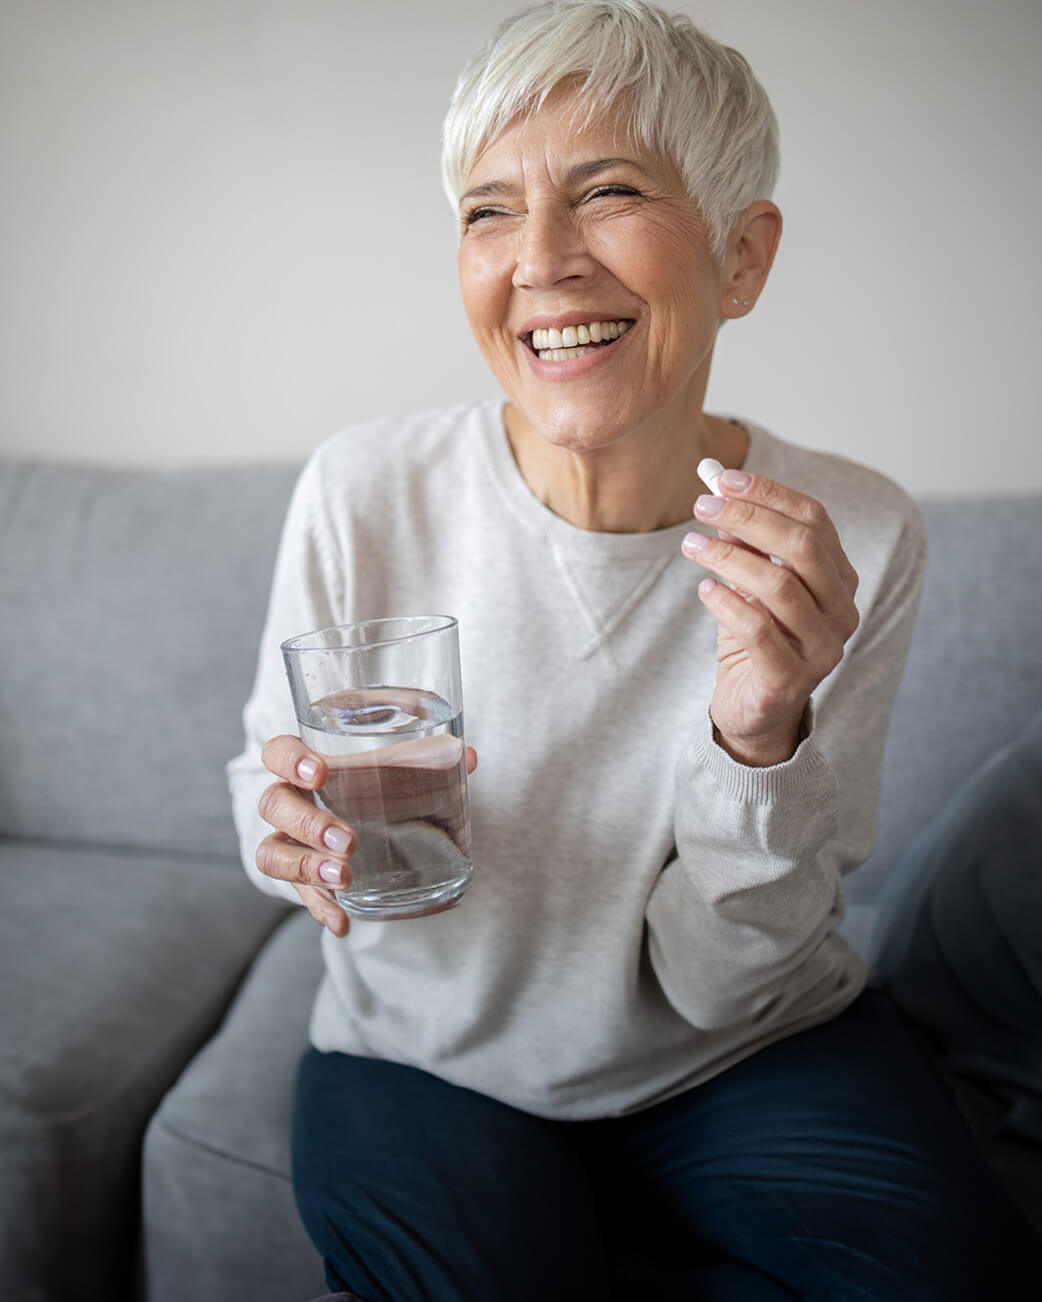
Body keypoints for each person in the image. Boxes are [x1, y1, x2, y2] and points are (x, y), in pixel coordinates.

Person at [228, 2, 1040, 1297]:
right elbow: (270, 773)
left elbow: (721, 978)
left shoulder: (852, 536)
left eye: (605, 192)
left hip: (748, 1046)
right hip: (427, 1051)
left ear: (741, 257)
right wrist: (277, 828)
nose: (539, 260)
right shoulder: (362, 488)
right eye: (488, 211)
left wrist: (757, 735)